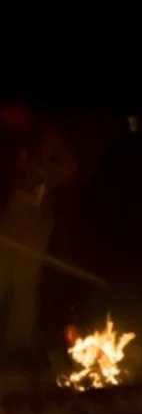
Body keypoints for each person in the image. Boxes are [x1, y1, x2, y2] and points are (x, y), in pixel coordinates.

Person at [1, 96, 79, 356]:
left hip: (35, 217)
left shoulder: (48, 133)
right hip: (6, 213)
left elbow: (70, 168)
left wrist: (41, 173)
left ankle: (17, 344)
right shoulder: (6, 134)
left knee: (25, 281)